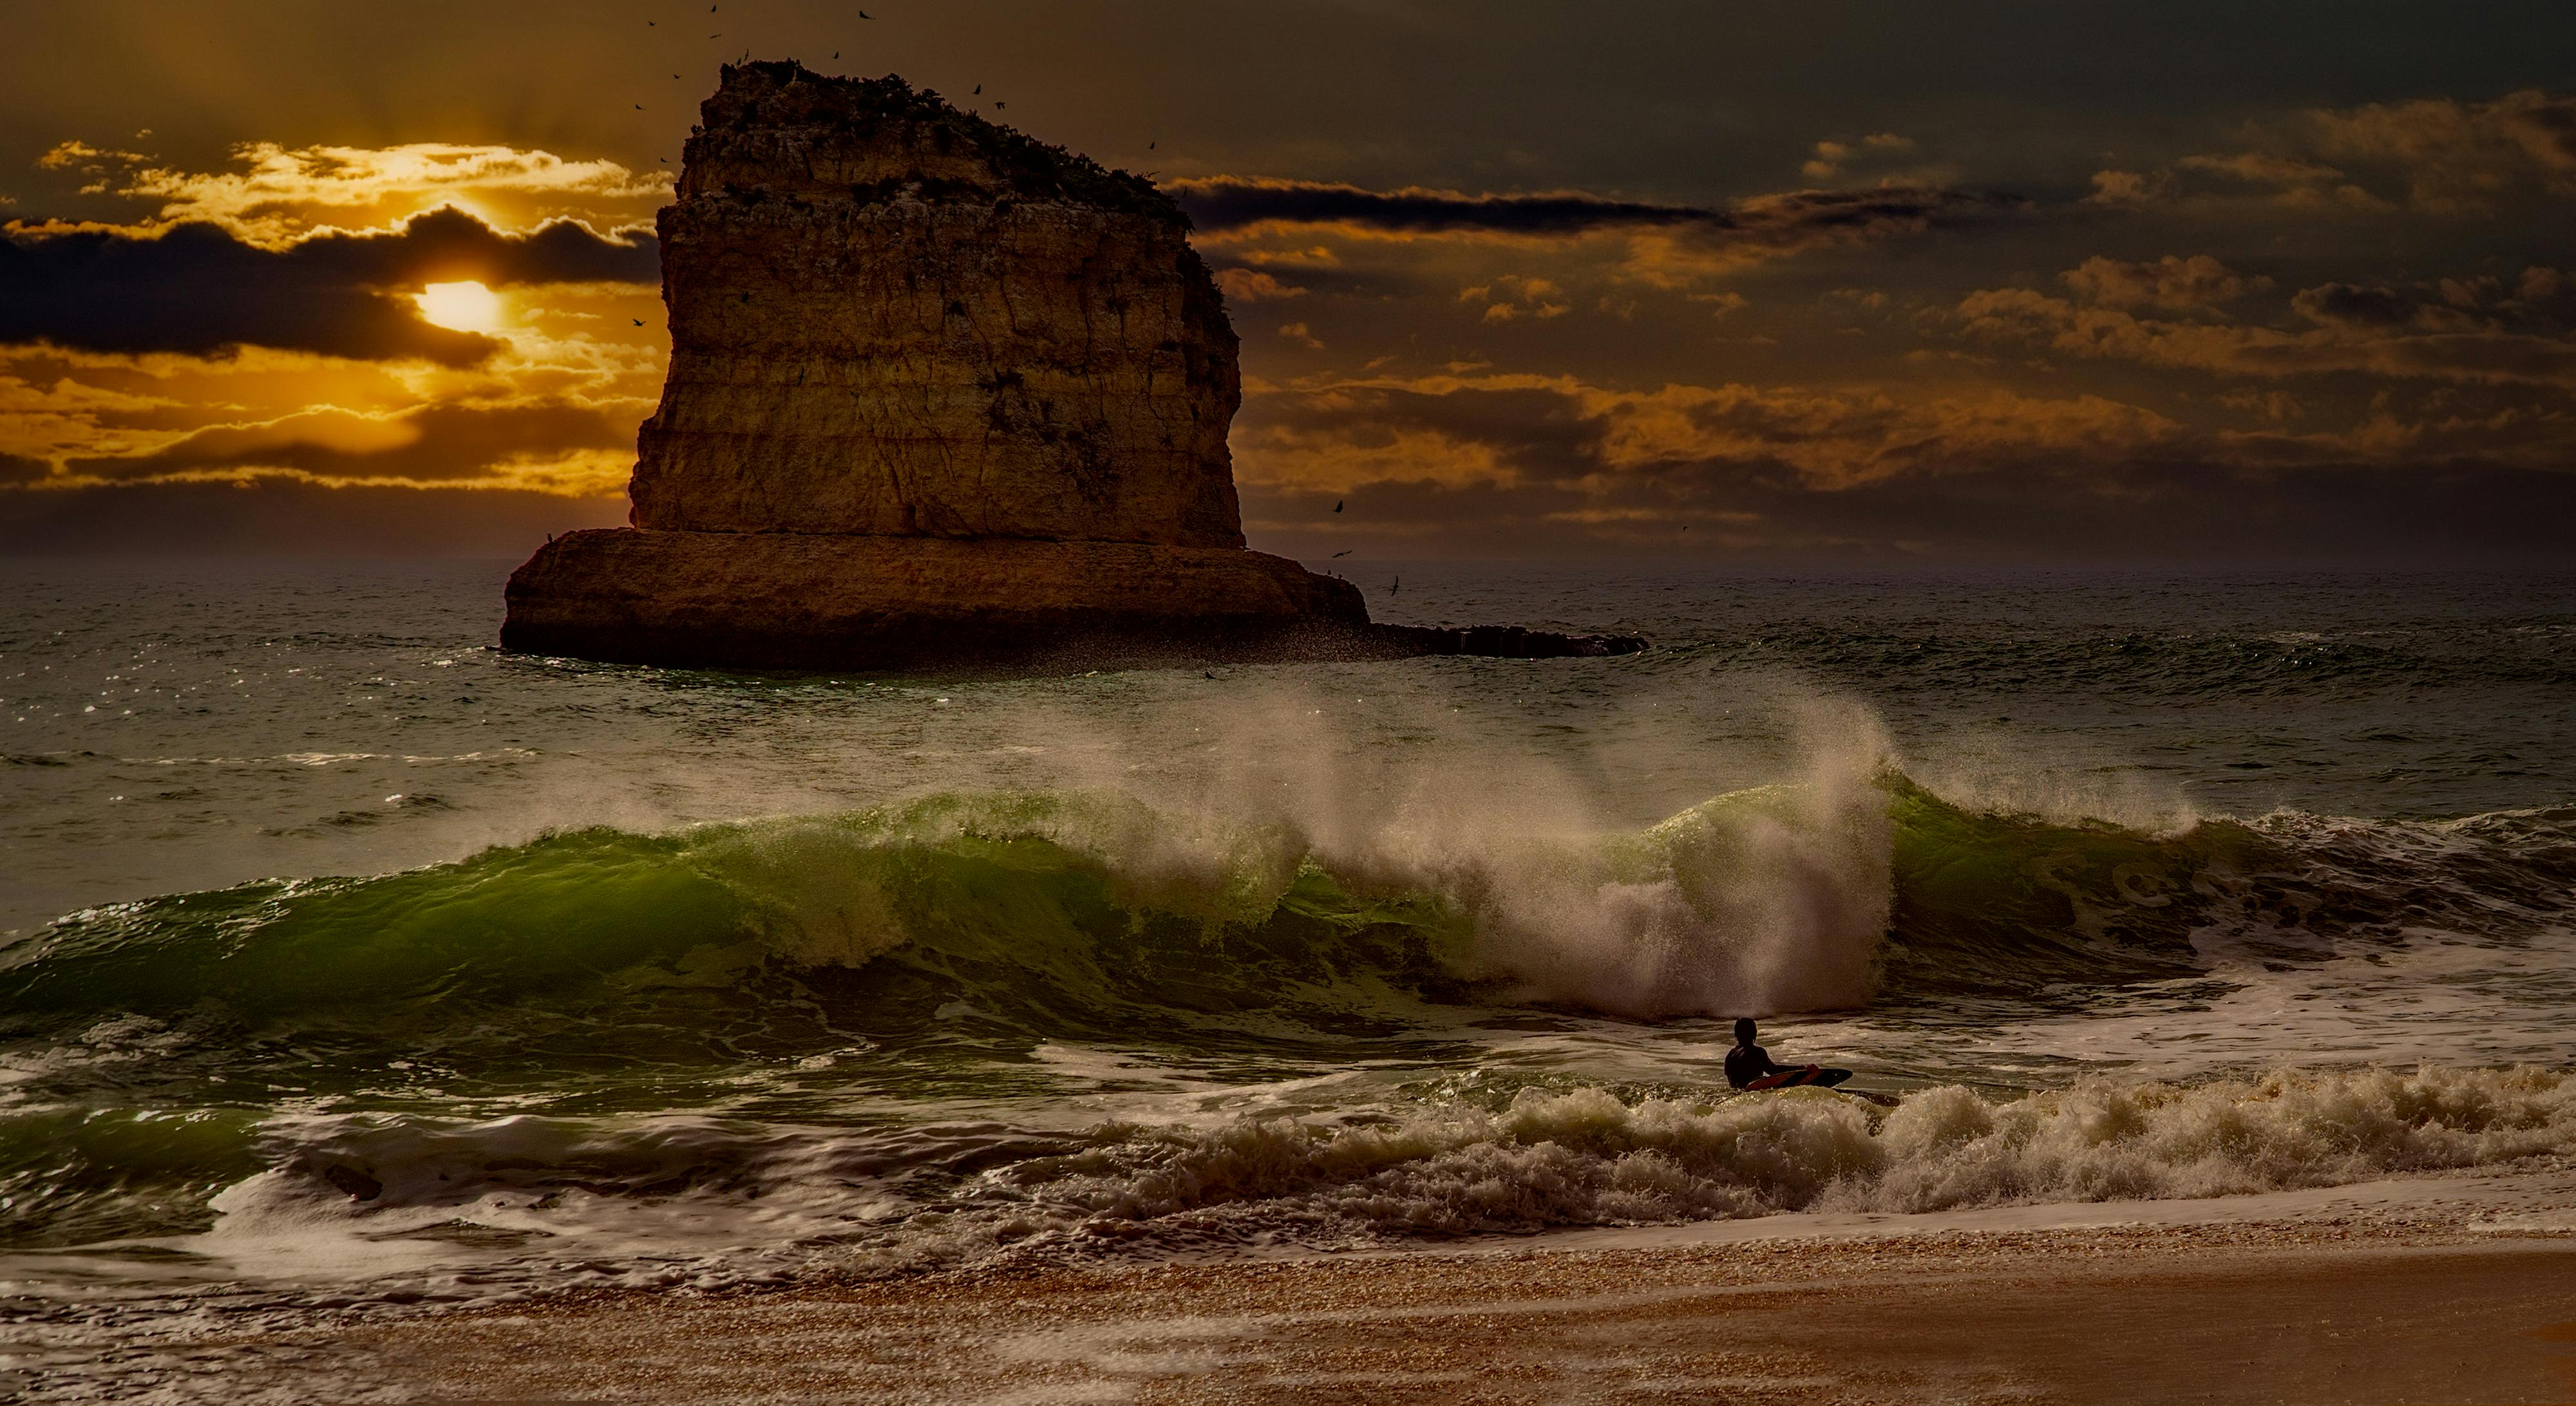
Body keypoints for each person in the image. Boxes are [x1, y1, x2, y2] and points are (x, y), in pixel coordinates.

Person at [1724, 1017, 1852, 1091]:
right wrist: (1803, 1068)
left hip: (1735, 1093)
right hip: (1752, 1092)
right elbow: (1774, 1071)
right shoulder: (1757, 1052)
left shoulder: (1730, 1055)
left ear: (1736, 1035)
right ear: (1754, 1034)